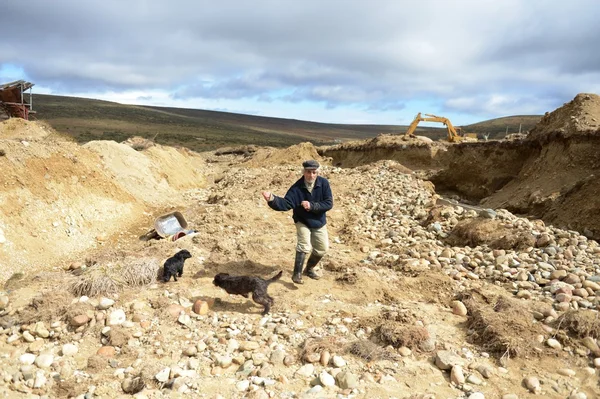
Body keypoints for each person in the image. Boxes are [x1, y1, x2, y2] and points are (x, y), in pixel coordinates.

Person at [262, 160, 333, 284]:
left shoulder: (324, 183)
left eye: (314, 172)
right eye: (308, 172)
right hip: (302, 220)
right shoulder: (297, 187)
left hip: (319, 221)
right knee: (304, 244)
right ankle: (297, 274)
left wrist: (312, 205)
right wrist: (272, 199)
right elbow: (286, 204)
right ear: (303, 172)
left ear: (317, 172)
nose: (311, 175)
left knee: (322, 249)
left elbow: (328, 203)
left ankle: (309, 269)